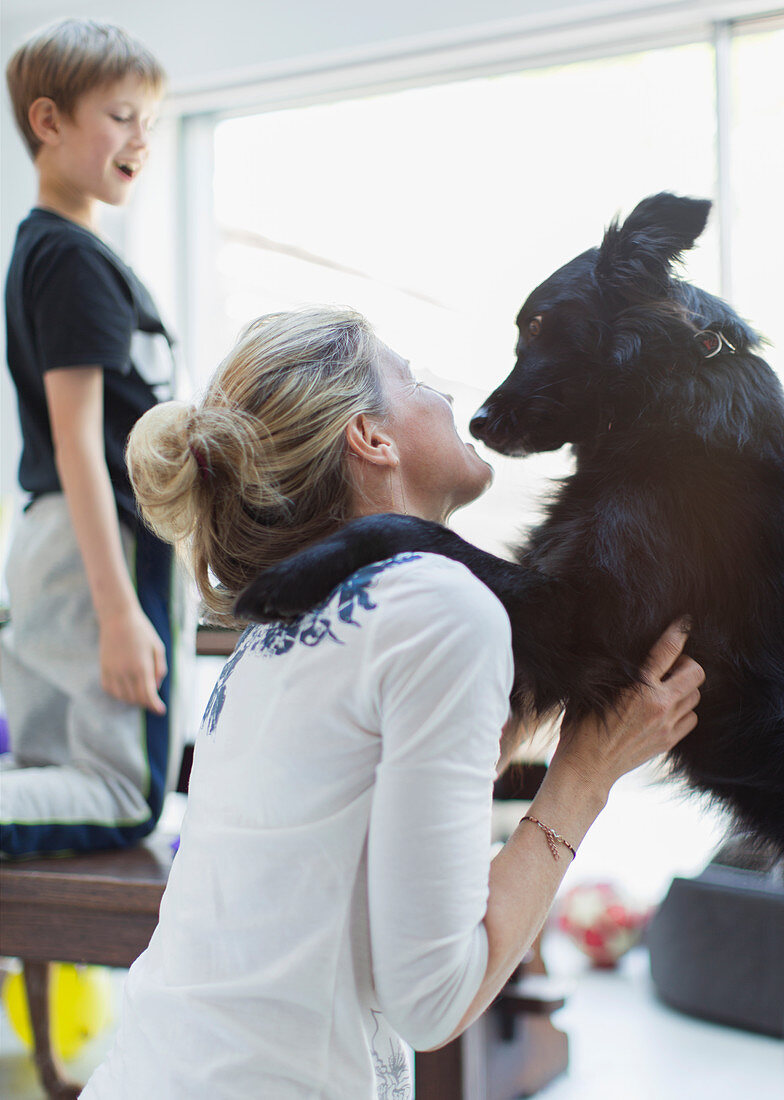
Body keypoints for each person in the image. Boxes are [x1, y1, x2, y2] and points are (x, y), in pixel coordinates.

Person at [81, 307, 704, 1099]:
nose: (442, 394)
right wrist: (587, 770)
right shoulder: (443, 604)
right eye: (411, 378)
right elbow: (434, 999)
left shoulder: (278, 628)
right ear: (370, 439)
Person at [0, 20, 178, 857]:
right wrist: (118, 613)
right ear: (48, 121)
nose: (141, 136)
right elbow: (80, 442)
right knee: (123, 794)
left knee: (45, 768)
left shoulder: (47, 250)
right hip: (92, 544)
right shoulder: (71, 259)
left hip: (52, 538)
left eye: (149, 118)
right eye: (120, 115)